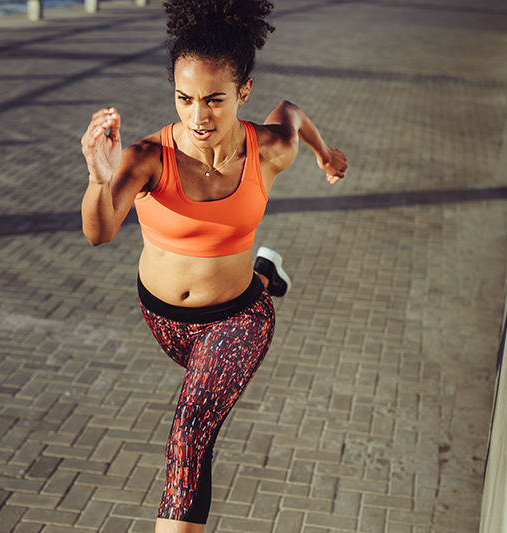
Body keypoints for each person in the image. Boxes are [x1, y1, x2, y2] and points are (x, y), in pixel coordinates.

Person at [80, 1, 347, 530]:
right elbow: (98, 233)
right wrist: (96, 176)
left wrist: (323, 152)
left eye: (215, 100)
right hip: (164, 321)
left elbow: (291, 112)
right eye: (184, 98)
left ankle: (260, 283)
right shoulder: (145, 158)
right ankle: (266, 272)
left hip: (237, 320)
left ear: (244, 92)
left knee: (189, 431)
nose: (198, 116)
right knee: (198, 401)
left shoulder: (267, 150)